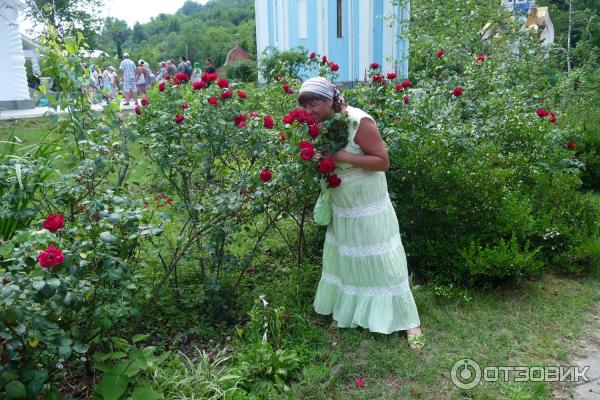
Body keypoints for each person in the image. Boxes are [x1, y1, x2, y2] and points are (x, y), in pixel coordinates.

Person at [298, 76, 425, 350]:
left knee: (382, 258)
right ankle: (350, 311)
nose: (308, 110)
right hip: (343, 204)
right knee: (347, 257)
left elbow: (383, 162)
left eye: (313, 103)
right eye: (304, 104)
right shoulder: (319, 125)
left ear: (330, 99)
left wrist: (341, 158)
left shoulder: (358, 121)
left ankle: (409, 321)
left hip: (368, 204)